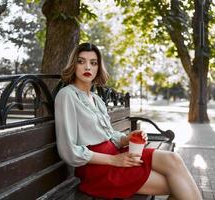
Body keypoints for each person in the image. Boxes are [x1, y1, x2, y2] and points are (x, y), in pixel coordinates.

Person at [55, 42, 202, 200]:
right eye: (81, 61)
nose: (88, 67)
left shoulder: (96, 99)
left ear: (98, 67)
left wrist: (126, 139)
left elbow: (108, 134)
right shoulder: (67, 95)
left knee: (174, 159)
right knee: (177, 184)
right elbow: (68, 150)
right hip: (97, 169)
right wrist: (113, 160)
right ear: (74, 65)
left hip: (116, 156)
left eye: (93, 63)